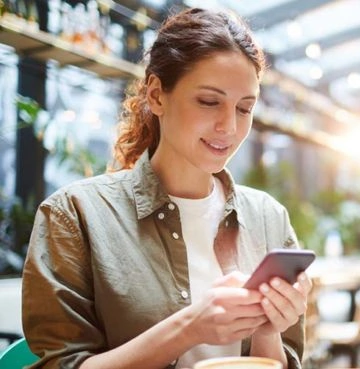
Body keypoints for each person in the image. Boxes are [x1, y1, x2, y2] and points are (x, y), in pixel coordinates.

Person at [21, 8, 311, 369]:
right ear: (157, 96)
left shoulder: (268, 218)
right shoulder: (74, 215)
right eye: (209, 101)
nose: (229, 127)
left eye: (244, 108)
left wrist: (267, 329)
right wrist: (189, 327)